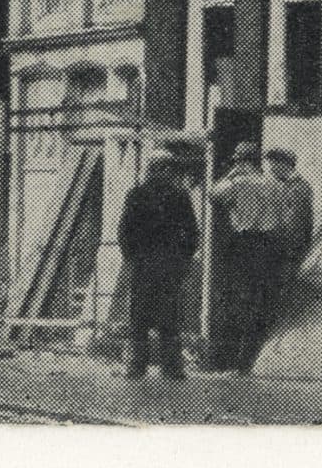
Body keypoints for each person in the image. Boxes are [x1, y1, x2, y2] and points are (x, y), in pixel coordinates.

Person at [117, 157, 199, 379]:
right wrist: (183, 259)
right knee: (169, 317)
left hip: (143, 265)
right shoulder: (180, 196)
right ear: (167, 170)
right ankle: (172, 368)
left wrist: (131, 258)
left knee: (139, 318)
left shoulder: (137, 194)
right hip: (169, 265)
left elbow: (124, 231)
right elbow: (192, 233)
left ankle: (136, 367)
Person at [209, 141, 281, 370]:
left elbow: (213, 194)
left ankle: (226, 358)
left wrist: (230, 175)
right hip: (268, 246)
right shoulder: (273, 183)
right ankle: (248, 359)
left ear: (240, 161)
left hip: (243, 244)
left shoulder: (237, 182)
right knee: (259, 302)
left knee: (235, 300)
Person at [263, 147, 316, 315]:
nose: (270, 170)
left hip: (289, 250)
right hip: (280, 248)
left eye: (273, 166)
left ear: (284, 165)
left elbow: (297, 224)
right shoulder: (281, 185)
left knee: (286, 298)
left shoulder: (299, 188)